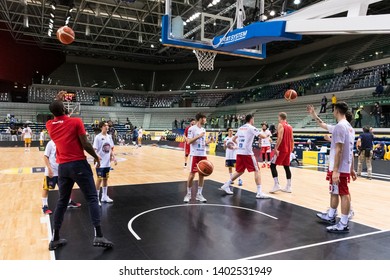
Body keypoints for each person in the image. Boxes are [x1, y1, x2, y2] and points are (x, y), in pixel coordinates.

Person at [46, 97, 113, 250]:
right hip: (78, 165)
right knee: (91, 198)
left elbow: (57, 111)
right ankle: (99, 235)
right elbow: (85, 143)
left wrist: (59, 103)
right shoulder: (75, 121)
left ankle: (55, 238)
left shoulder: (49, 125)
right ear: (65, 109)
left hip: (62, 167)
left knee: (62, 201)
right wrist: (96, 157)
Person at [307, 102, 357, 233]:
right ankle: (331, 215)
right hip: (343, 167)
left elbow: (340, 150)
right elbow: (349, 150)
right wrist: (314, 115)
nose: (333, 112)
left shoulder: (341, 127)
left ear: (337, 111)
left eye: (333, 109)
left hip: (339, 168)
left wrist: (336, 170)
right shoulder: (348, 127)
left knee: (343, 193)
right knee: (335, 191)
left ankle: (344, 223)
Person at [220, 114, 270, 199]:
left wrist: (238, 146)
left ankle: (226, 185)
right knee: (257, 170)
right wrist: (269, 133)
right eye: (253, 119)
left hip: (239, 152)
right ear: (251, 119)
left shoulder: (240, 128)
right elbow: (263, 136)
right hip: (247, 153)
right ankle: (259, 192)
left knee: (240, 171)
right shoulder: (251, 128)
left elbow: (233, 139)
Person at [41, 140, 81, 215]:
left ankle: (69, 202)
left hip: (61, 170)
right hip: (51, 171)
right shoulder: (51, 143)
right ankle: (44, 206)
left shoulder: (63, 141)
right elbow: (45, 157)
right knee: (46, 188)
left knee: (65, 188)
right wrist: (49, 169)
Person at [183, 113, 209, 203]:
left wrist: (209, 141)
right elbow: (189, 141)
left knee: (202, 174)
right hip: (195, 154)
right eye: (205, 118)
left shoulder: (203, 129)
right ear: (201, 119)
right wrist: (198, 136)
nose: (206, 120)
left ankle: (199, 194)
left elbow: (203, 142)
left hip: (203, 154)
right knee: (192, 175)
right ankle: (188, 194)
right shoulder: (192, 129)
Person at [269, 112, 294, 194]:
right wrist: (292, 148)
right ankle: (289, 186)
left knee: (272, 165)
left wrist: (276, 148)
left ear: (280, 117)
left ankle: (276, 184)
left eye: (278, 117)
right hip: (288, 149)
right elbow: (292, 139)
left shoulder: (280, 125)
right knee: (286, 167)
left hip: (281, 149)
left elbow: (280, 138)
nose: (278, 118)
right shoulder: (290, 126)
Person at [93, 121, 117, 206]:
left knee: (105, 179)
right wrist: (97, 158)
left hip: (107, 162)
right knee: (99, 179)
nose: (106, 127)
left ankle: (104, 196)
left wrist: (114, 157)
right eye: (104, 126)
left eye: (107, 126)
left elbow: (110, 148)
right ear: (101, 127)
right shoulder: (98, 137)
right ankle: (96, 198)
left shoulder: (109, 137)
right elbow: (94, 150)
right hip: (100, 163)